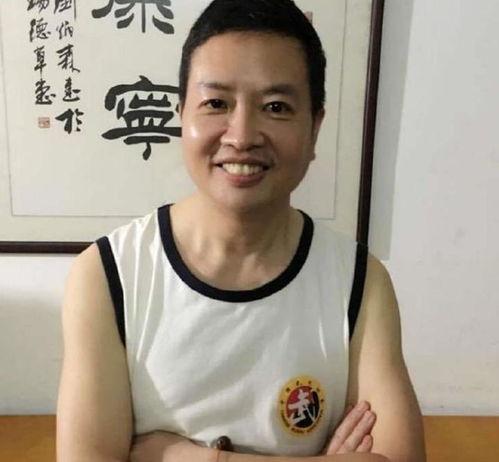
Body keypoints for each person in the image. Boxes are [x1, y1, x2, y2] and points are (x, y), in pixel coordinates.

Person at [56, 1, 426, 461]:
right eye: (216, 103)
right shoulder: (108, 275)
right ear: (181, 115)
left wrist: (187, 456)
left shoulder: (359, 281)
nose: (242, 135)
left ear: (315, 127)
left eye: (276, 107)